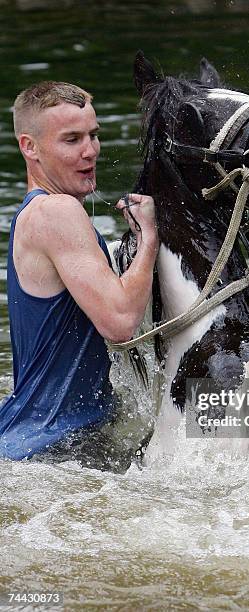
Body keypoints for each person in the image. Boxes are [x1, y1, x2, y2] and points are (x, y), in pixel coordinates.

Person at [0, 81, 158, 466]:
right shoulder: (57, 212)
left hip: (48, 439)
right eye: (71, 140)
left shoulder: (34, 215)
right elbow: (119, 321)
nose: (90, 151)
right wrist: (150, 237)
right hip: (48, 450)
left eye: (93, 135)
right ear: (29, 147)